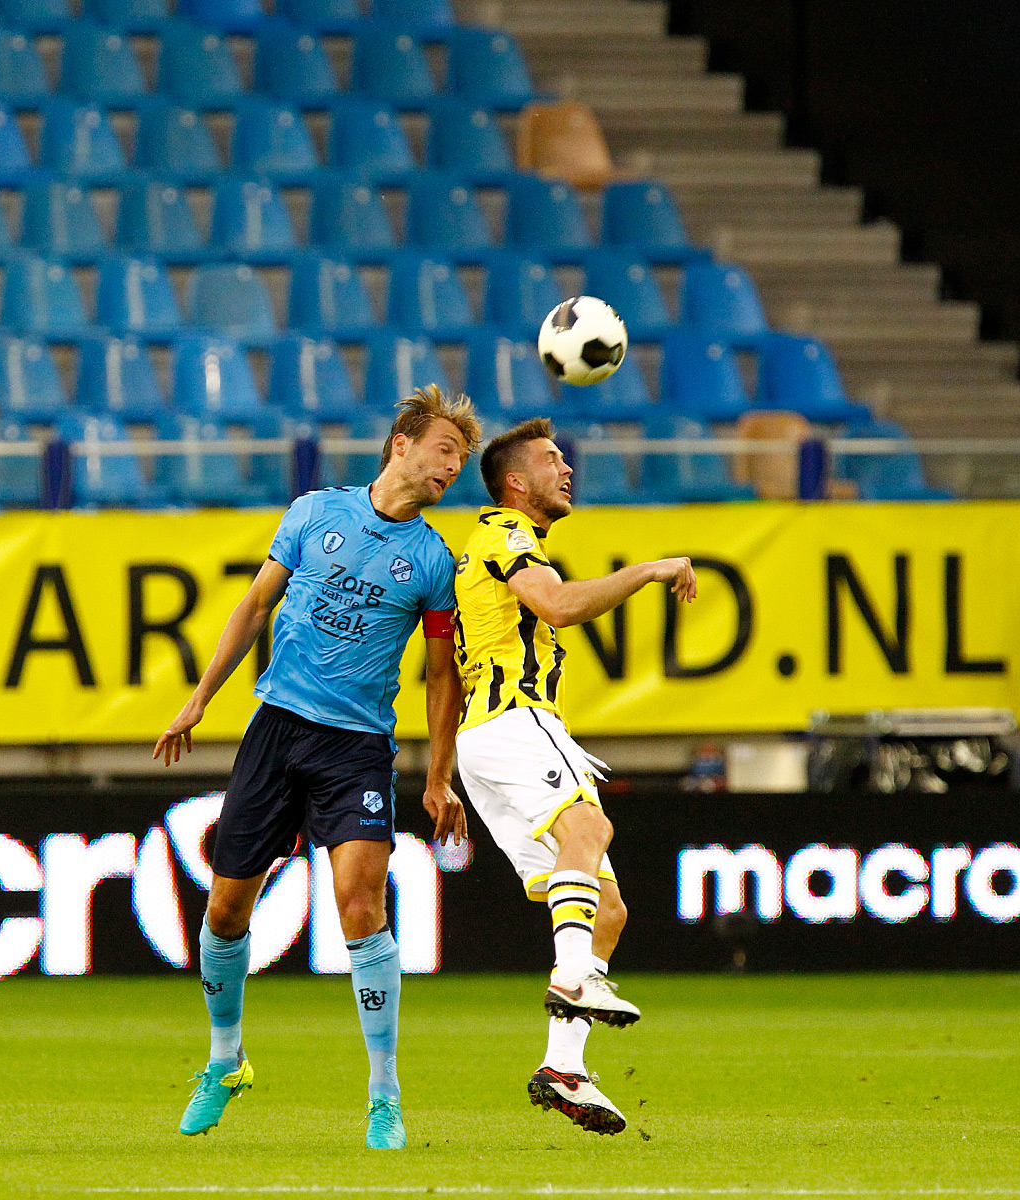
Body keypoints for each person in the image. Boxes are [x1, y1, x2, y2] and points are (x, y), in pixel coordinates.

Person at [154, 387, 480, 1150]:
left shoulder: (434, 563)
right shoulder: (311, 514)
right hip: (277, 730)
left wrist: (439, 775)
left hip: (356, 747)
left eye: (460, 462)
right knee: (226, 913)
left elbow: (442, 676)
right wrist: (199, 699)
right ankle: (225, 1060)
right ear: (401, 444)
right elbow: (254, 607)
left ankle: (384, 1093)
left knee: (359, 906)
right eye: (442, 451)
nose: (450, 468)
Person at [452, 417, 698, 1136]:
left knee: (607, 910)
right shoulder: (505, 533)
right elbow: (558, 606)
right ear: (515, 483)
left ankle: (563, 1066)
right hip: (514, 720)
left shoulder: (488, 546)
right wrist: (650, 570)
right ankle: (573, 978)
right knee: (590, 825)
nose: (568, 469)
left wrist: (441, 776)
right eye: (551, 460)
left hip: (485, 739)